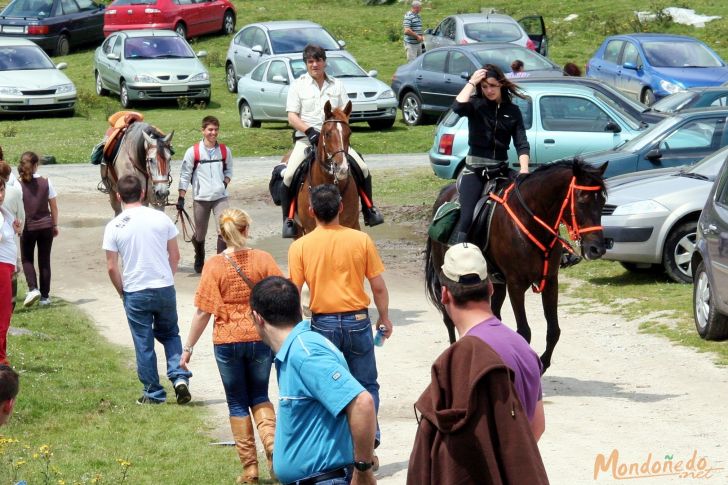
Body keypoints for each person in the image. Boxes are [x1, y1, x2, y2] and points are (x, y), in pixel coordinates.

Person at [180, 208, 282, 484]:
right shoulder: (263, 259)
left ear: (221, 235)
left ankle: (250, 470)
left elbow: (203, 312)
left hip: (227, 341)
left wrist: (187, 348)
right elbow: (280, 297)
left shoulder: (213, 265)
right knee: (260, 395)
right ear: (246, 229)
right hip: (259, 338)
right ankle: (271, 445)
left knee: (237, 402)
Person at [288, 184, 392, 455]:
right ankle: (370, 441)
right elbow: (378, 286)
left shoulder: (299, 246)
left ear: (310, 211)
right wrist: (384, 317)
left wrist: (299, 327)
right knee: (366, 384)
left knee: (329, 386)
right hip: (357, 321)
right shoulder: (361, 240)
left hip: (323, 324)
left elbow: (293, 292)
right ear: (342, 207)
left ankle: (338, 447)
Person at [249, 276, 378, 485]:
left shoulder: (305, 354)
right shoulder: (297, 349)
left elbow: (363, 403)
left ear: (257, 317)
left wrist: (363, 470)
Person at [103, 175, 192, 405]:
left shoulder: (114, 226)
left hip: (135, 289)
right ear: (143, 194)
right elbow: (175, 255)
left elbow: (112, 267)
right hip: (163, 285)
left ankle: (153, 392)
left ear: (118, 196)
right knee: (171, 333)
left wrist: (122, 291)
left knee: (143, 341)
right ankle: (179, 377)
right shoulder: (161, 219)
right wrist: (166, 277)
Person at [280, 44, 383, 238]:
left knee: (362, 168)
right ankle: (289, 220)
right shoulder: (298, 85)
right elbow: (292, 117)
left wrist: (339, 132)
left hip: (335, 140)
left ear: (324, 62)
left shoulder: (337, 85)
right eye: (310, 61)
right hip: (306, 139)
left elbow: (345, 113)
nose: (315, 65)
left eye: (318, 60)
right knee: (288, 175)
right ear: (306, 64)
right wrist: (309, 131)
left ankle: (370, 210)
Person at [442, 243, 545, 437]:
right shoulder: (524, 345)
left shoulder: (459, 357)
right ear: (490, 288)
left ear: (444, 294)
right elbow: (537, 426)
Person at [451, 63, 530, 244]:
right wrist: (472, 82)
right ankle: (458, 252)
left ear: (501, 84)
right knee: (467, 217)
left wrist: (524, 169)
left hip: (501, 170)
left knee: (526, 203)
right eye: (485, 87)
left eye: (493, 86)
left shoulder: (513, 111)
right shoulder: (475, 105)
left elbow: (521, 143)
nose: (489, 90)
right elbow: (457, 106)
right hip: (475, 171)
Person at [177, 115, 233, 273]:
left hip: (220, 197)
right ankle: (199, 255)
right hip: (201, 199)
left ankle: (219, 263)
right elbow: (185, 176)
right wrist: (181, 197)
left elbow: (229, 170)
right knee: (200, 233)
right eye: (210, 130)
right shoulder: (192, 152)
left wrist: (224, 183)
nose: (213, 133)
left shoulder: (224, 151)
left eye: (215, 130)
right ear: (203, 131)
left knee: (224, 229)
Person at [17, 151, 58, 307]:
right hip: (46, 225)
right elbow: (54, 206)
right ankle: (45, 297)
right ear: (36, 165)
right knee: (44, 260)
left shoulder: (17, 183)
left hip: (28, 226)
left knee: (27, 258)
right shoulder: (47, 182)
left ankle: (33, 288)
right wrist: (54, 224)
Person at [0, 178, 21, 366]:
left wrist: (13, 230)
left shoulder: (4, 213)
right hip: (1, 268)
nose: (0, 196)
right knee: (2, 314)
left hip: (7, 267)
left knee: (6, 314)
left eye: (1, 191)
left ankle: (2, 356)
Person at [0, 158, 24, 313]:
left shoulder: (5, 209)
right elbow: (22, 219)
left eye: (2, 190)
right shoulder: (15, 191)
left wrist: (14, 229)